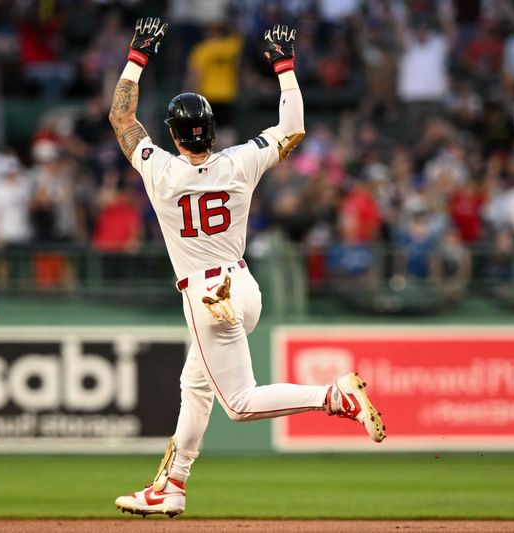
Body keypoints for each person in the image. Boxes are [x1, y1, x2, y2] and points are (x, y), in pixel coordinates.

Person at [108, 18, 386, 518]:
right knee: (195, 386)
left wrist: (138, 56)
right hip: (243, 287)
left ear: (172, 133)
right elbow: (293, 128)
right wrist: (284, 67)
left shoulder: (160, 168)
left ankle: (334, 395)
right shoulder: (240, 162)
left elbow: (123, 121)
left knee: (238, 402)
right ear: (212, 130)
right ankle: (172, 484)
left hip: (207, 296)